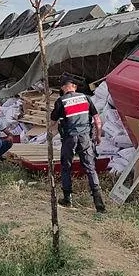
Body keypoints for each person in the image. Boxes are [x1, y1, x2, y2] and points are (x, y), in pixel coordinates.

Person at [49, 74, 105, 213]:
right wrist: (98, 136)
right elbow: (97, 120)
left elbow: (53, 122)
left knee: (66, 167)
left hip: (69, 138)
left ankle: (67, 198)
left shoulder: (61, 101)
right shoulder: (86, 98)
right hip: (85, 138)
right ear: (74, 86)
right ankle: (99, 203)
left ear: (63, 87)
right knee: (90, 168)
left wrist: (49, 134)